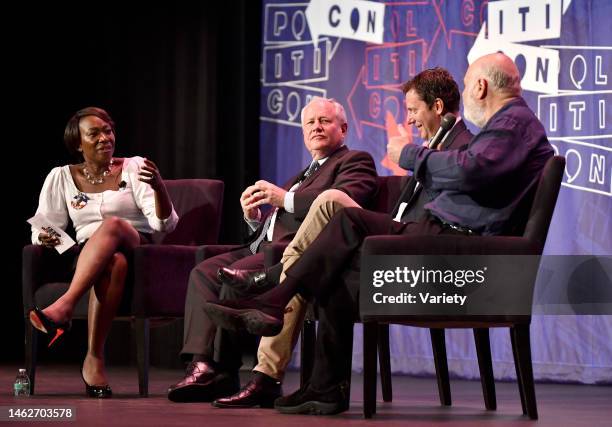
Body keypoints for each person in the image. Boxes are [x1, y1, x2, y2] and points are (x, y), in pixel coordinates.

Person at [203, 52, 554, 415]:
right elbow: (475, 177)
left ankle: (276, 291)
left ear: (480, 86)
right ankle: (324, 386)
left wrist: (408, 155)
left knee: (346, 221)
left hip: (457, 245)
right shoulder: (511, 125)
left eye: (466, 86)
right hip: (441, 233)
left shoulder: (511, 123)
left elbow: (469, 171)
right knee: (335, 267)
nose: (464, 95)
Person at [167, 97, 378, 403]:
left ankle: (229, 372)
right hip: (262, 245)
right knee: (204, 271)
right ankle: (203, 364)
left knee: (230, 277)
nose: (316, 127)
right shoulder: (300, 176)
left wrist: (283, 199)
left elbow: (341, 203)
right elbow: (274, 223)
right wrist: (253, 219)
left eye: (324, 121)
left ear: (343, 129)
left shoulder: (355, 161)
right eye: (310, 123)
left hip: (293, 254)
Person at [29, 107, 178, 398]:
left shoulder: (135, 167)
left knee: (113, 228)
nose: (104, 138)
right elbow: (44, 225)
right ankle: (94, 358)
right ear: (78, 144)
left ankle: (65, 305)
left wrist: (159, 188)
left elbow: (164, 224)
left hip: (139, 250)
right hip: (89, 258)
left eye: (107, 131)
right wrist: (44, 236)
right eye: (94, 133)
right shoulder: (60, 177)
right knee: (114, 263)